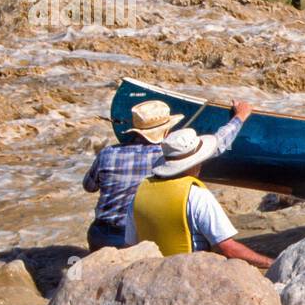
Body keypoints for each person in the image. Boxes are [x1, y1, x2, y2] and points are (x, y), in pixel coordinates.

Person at [82, 99, 251, 251]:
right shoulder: (167, 158)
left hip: (99, 235)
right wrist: (240, 117)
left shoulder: (107, 153)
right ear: (165, 131)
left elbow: (89, 187)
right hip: (136, 239)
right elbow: (219, 143)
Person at [126, 127, 273, 269]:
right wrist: (269, 262)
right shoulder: (197, 195)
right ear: (194, 163)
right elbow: (227, 248)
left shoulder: (140, 193)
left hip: (150, 275)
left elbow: (130, 246)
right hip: (188, 274)